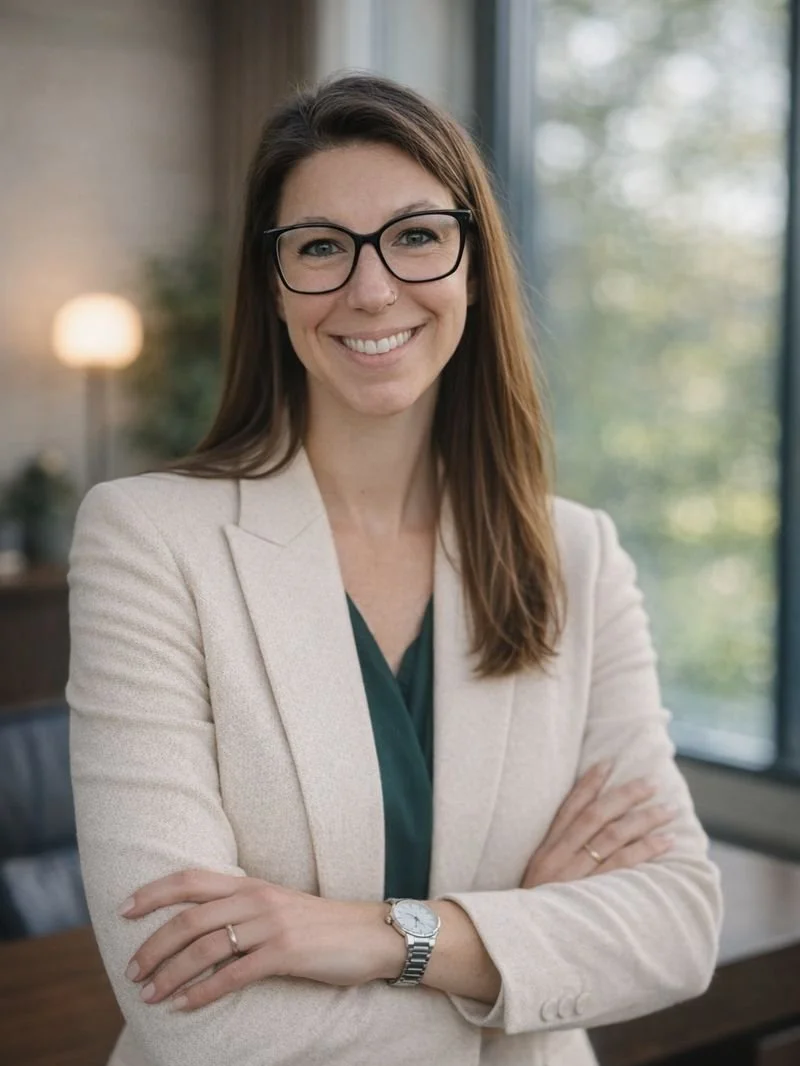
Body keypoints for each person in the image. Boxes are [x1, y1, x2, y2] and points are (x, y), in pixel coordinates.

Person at [67, 73, 722, 1066]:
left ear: (471, 266)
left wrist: (379, 936)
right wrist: (512, 951)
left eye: (416, 235)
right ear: (272, 284)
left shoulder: (574, 554)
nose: (371, 289)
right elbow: (190, 1005)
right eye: (321, 247)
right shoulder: (148, 539)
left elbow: (674, 926)